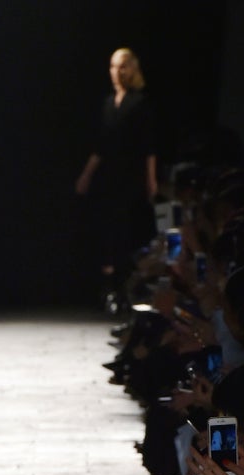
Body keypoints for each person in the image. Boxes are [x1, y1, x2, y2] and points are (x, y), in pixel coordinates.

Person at [75, 47, 157, 301]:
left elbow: (148, 146)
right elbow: (101, 144)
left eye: (122, 66)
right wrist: (86, 175)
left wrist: (151, 180)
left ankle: (125, 289)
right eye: (113, 66)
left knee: (125, 231)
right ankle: (108, 286)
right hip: (108, 176)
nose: (117, 72)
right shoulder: (109, 103)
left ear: (132, 69)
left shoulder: (140, 102)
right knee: (106, 229)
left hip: (130, 176)